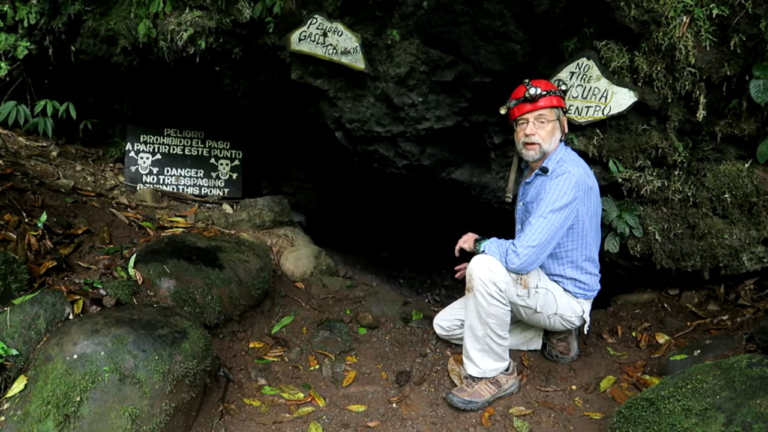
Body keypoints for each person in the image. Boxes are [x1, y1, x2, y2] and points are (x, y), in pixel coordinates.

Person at [433, 78, 602, 411]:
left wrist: (481, 248)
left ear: (563, 125)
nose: (529, 131)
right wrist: (491, 274)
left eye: (541, 121)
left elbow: (522, 257)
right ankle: (548, 336)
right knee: (447, 326)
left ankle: (494, 374)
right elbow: (531, 247)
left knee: (483, 263)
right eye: (522, 122)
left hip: (566, 298)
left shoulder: (566, 177)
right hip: (538, 286)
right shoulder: (533, 171)